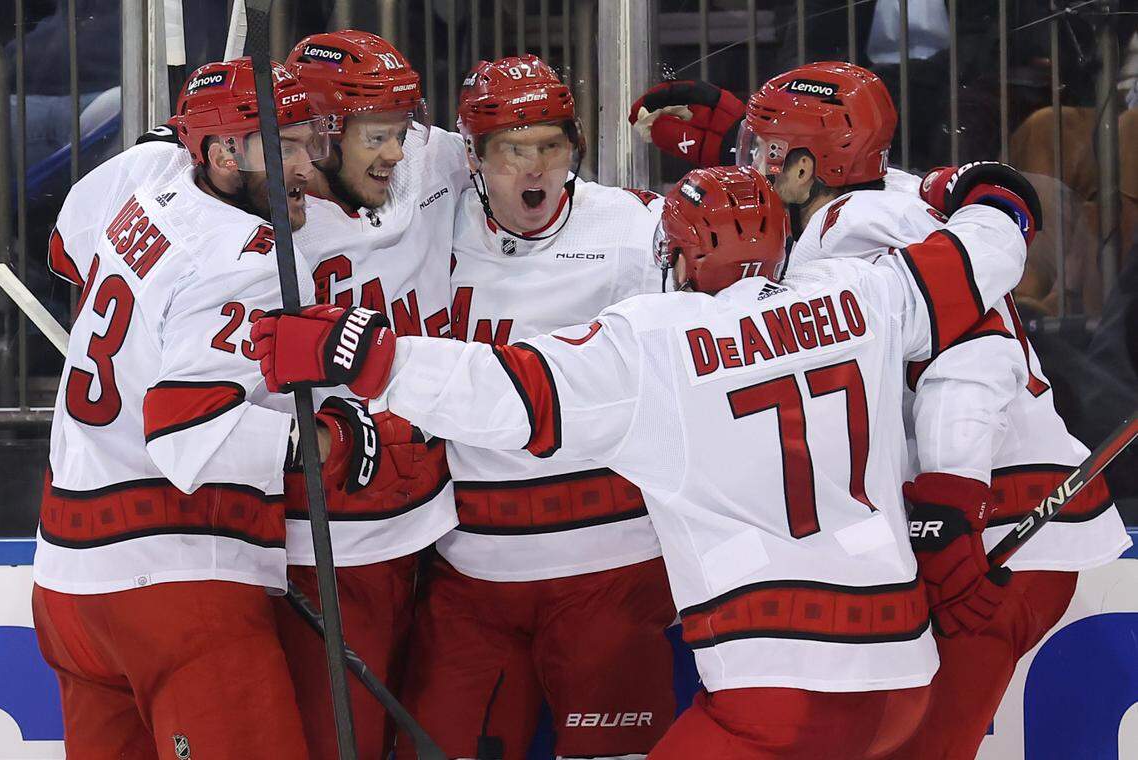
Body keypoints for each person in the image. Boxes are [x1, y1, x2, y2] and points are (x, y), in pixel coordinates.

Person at [250, 163, 1034, 759]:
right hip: (901, 678)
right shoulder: (863, 296)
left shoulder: (657, 341)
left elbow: (504, 392)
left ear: (682, 258)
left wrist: (362, 354)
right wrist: (986, 189)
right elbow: (986, 252)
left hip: (772, 689)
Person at [632, 60, 1132, 758]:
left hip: (989, 532)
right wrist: (737, 147)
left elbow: (974, 355)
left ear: (806, 169)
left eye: (762, 150)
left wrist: (950, 499)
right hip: (984, 522)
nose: (751, 164)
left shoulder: (852, 233)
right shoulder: (880, 198)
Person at [33, 58, 330, 759]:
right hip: (177, 585)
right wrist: (327, 441)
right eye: (279, 148)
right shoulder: (252, 260)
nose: (305, 168)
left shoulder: (148, 180)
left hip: (69, 583)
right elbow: (188, 434)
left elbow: (62, 244)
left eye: (306, 143)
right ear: (222, 155)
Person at [398, 54, 676, 760]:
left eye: (550, 146)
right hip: (471, 578)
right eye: (512, 151)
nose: (534, 170)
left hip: (610, 573)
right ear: (473, 157)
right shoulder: (426, 231)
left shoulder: (637, 229)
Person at [282, 29, 468, 758]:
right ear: (321, 134)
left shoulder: (426, 157)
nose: (396, 152)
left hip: (441, 529)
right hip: (331, 542)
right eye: (377, 137)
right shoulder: (260, 224)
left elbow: (517, 142)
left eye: (401, 130)